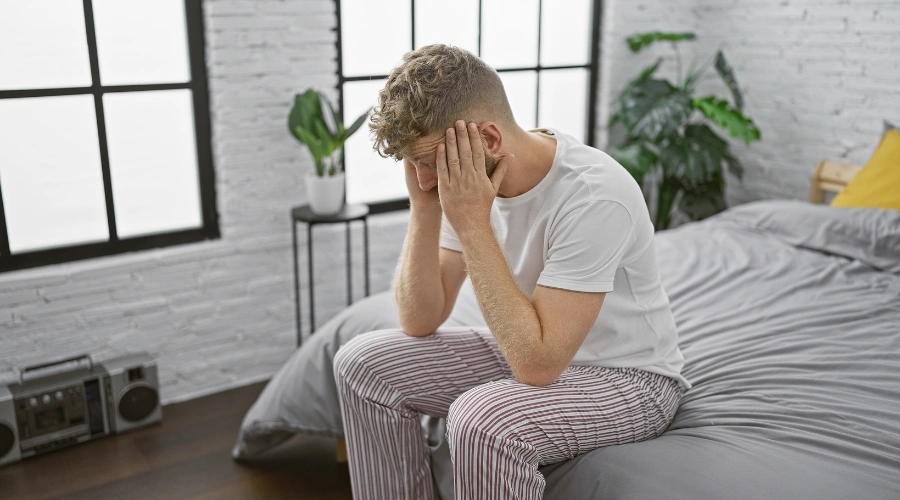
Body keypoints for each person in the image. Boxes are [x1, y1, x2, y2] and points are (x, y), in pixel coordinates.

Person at [333, 44, 691, 500]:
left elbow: (537, 364)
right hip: (528, 342)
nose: (425, 179)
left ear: (490, 140)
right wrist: (425, 209)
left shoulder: (595, 195)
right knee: (363, 363)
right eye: (415, 165)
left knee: (482, 421)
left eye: (429, 163)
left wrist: (472, 223)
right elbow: (420, 319)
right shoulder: (459, 181)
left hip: (629, 378)